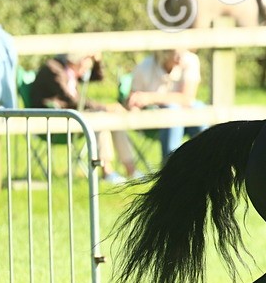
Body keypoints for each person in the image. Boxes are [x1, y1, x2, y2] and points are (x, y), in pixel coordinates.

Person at [29, 52, 140, 183]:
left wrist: (97, 62)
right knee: (100, 118)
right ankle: (107, 171)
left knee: (111, 118)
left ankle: (131, 170)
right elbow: (71, 99)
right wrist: (105, 107)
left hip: (71, 118)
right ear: (80, 59)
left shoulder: (71, 70)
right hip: (51, 122)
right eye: (88, 62)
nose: (87, 69)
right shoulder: (53, 69)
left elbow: (98, 77)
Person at [126, 48, 206, 160]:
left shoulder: (190, 60)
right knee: (172, 110)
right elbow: (133, 100)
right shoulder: (144, 67)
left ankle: (208, 159)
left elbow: (187, 98)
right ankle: (171, 162)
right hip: (154, 122)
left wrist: (150, 97)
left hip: (186, 119)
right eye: (176, 53)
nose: (181, 57)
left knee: (198, 108)